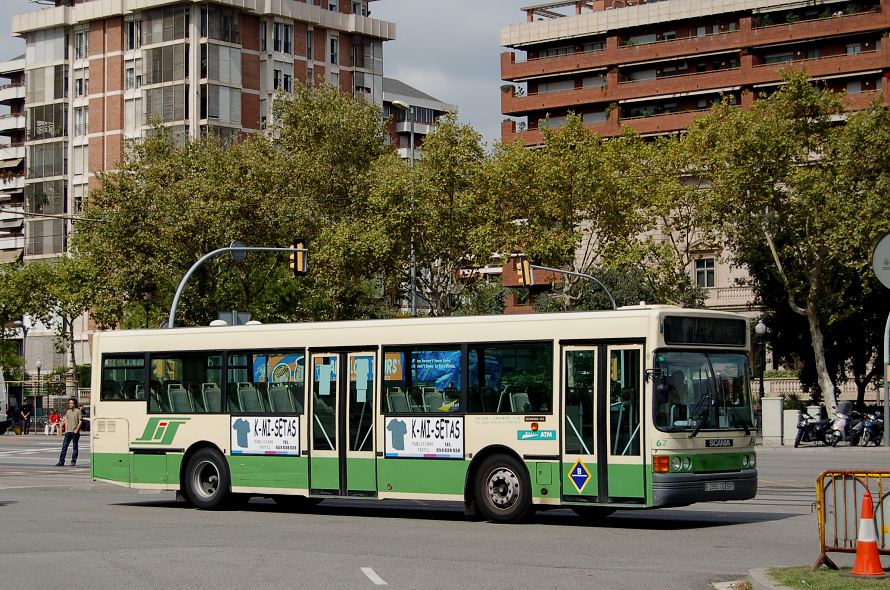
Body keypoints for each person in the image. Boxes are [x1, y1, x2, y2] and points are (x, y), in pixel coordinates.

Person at [56, 397, 82, 466]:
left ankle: (73, 461)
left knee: (75, 447)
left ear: (75, 404)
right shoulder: (68, 412)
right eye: (69, 403)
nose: (70, 404)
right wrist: (66, 430)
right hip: (68, 432)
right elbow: (66, 421)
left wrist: (77, 430)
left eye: (72, 403)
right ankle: (61, 461)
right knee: (64, 447)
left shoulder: (78, 411)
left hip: (75, 432)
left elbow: (80, 421)